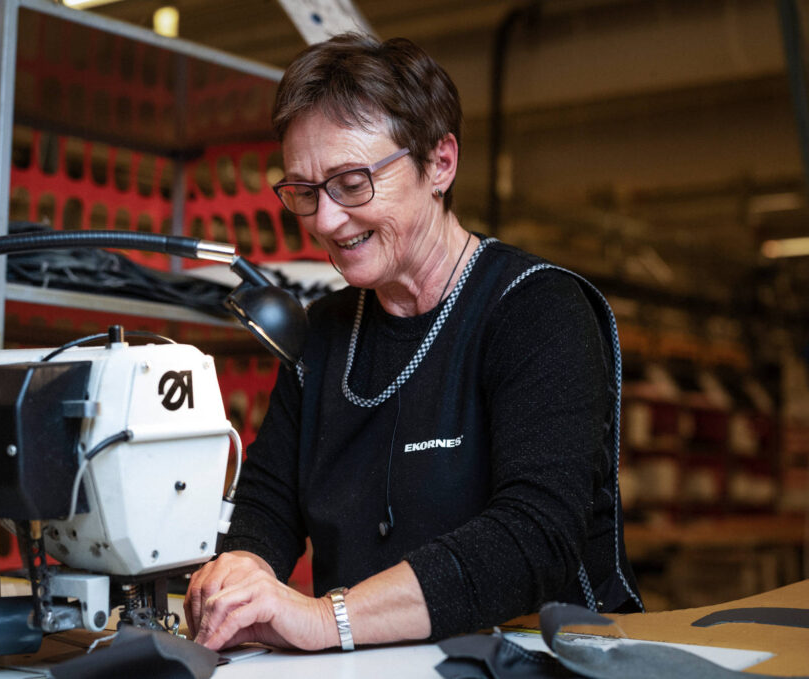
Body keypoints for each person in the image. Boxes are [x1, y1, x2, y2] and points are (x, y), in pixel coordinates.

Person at [185, 33, 643, 652]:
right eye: (304, 191)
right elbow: (270, 504)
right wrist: (243, 570)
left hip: (541, 655)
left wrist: (327, 620)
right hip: (376, 663)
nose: (324, 220)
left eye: (351, 182)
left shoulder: (537, 310)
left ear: (440, 163)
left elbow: (532, 541)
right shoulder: (325, 333)